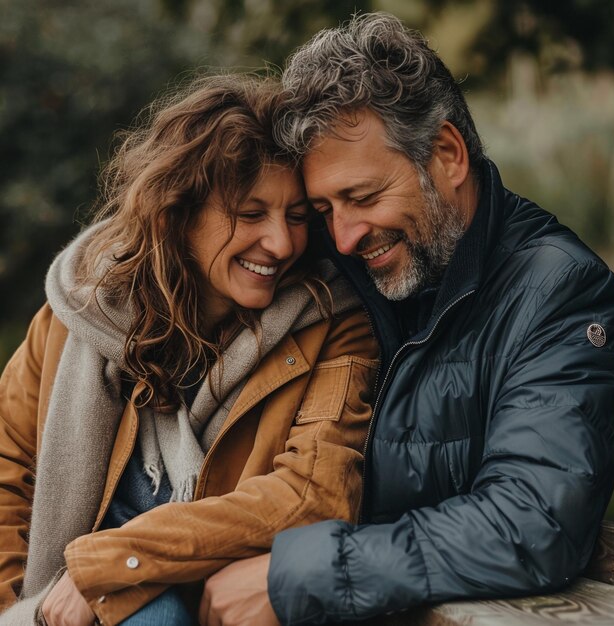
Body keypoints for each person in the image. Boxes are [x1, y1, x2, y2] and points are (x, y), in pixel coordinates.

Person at [200, 12, 614, 626]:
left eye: (364, 197)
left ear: (448, 155)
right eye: (323, 208)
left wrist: (297, 574)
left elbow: (533, 519)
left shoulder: (559, 291)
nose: (342, 237)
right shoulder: (325, 259)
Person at [0, 73, 380, 625]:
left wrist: (114, 566)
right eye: (250, 215)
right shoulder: (77, 312)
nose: (279, 243)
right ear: (179, 212)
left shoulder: (331, 323)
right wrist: (16, 609)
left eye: (296, 217)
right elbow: (8, 471)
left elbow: (315, 494)